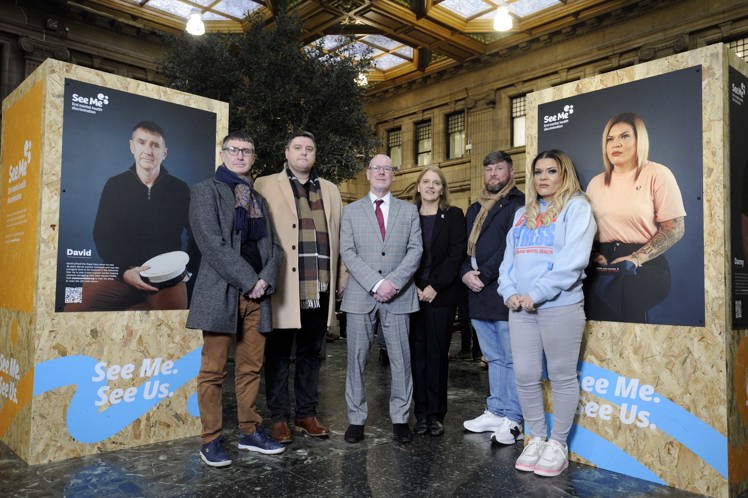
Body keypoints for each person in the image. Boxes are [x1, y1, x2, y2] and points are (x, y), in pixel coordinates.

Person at [186, 131, 285, 467]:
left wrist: (265, 280)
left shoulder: (259, 200)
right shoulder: (205, 191)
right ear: (223, 153)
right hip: (222, 293)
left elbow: (274, 248)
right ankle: (211, 440)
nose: (241, 156)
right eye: (234, 150)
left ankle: (249, 431)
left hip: (258, 296)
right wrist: (248, 281)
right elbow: (211, 244)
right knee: (213, 371)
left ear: (253, 157)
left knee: (250, 368)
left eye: (247, 151)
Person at [499, 149, 596, 477]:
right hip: (520, 308)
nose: (542, 178)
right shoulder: (520, 214)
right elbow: (507, 263)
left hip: (560, 306)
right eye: (538, 172)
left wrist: (534, 295)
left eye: (551, 171)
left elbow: (573, 263)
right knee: (525, 375)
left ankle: (558, 443)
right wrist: (509, 292)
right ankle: (536, 436)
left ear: (564, 175)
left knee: (561, 376)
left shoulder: (577, 208)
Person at [254, 130, 345, 444]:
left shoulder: (331, 191)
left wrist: (341, 279)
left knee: (311, 353)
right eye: (298, 147)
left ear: (315, 153)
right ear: (286, 152)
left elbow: (340, 239)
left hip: (319, 284)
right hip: (283, 285)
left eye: (310, 147)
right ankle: (279, 418)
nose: (304, 152)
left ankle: (306, 413)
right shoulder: (265, 184)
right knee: (278, 354)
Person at [340, 153, 422, 444]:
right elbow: (347, 251)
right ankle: (355, 418)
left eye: (387, 169)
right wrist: (375, 282)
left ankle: (400, 418)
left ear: (393, 175)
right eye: (377, 168)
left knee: (401, 359)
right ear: (368, 173)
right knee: (356, 359)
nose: (382, 173)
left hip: (399, 296)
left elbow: (415, 251)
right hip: (360, 295)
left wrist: (393, 283)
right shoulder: (350, 212)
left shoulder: (409, 211)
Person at [69, 121, 191, 311]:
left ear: (164, 153)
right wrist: (124, 270)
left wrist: (183, 269)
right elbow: (102, 236)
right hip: (121, 270)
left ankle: (137, 308)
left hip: (165, 276)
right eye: (142, 142)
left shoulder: (180, 189)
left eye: (155, 145)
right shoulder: (114, 185)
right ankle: (135, 305)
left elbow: (197, 236)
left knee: (174, 319)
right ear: (132, 146)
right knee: (74, 304)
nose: (148, 150)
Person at [585, 112, 686, 323]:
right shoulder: (595, 183)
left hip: (643, 263)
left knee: (628, 309)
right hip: (602, 260)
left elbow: (675, 228)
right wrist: (594, 254)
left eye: (624, 136)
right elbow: (586, 231)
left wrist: (636, 258)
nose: (616, 144)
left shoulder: (657, 173)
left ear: (639, 140)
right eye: (610, 139)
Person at [460, 151, 525, 444]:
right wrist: (465, 273)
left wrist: (483, 276)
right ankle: (496, 410)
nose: (494, 175)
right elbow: (464, 248)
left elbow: (510, 247)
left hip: (502, 293)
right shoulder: (474, 208)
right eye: (489, 170)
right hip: (477, 295)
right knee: (494, 357)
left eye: (500, 169)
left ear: (511, 172)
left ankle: (514, 417)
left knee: (512, 359)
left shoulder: (520, 204)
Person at [410, 166, 466, 437]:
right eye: (426, 182)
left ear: (442, 189)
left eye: (436, 183)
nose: (431, 186)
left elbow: (456, 255)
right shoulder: (407, 216)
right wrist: (416, 287)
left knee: (437, 356)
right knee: (416, 357)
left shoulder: (453, 215)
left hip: (441, 296)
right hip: (410, 297)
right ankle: (420, 413)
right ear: (418, 187)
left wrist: (434, 286)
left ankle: (436, 414)